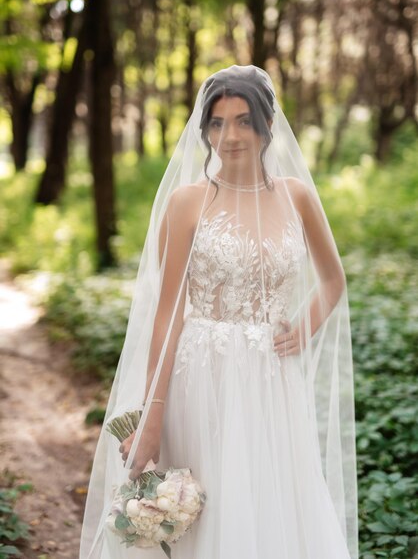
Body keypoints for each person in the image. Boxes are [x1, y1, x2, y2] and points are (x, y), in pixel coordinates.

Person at [79, 65, 358, 559]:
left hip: (273, 383)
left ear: (267, 127)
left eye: (244, 121)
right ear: (205, 130)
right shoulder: (188, 204)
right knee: (204, 513)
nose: (229, 136)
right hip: (201, 379)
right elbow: (167, 316)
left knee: (271, 503)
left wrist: (305, 327)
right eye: (218, 123)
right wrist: (152, 415)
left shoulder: (297, 197)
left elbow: (333, 279)